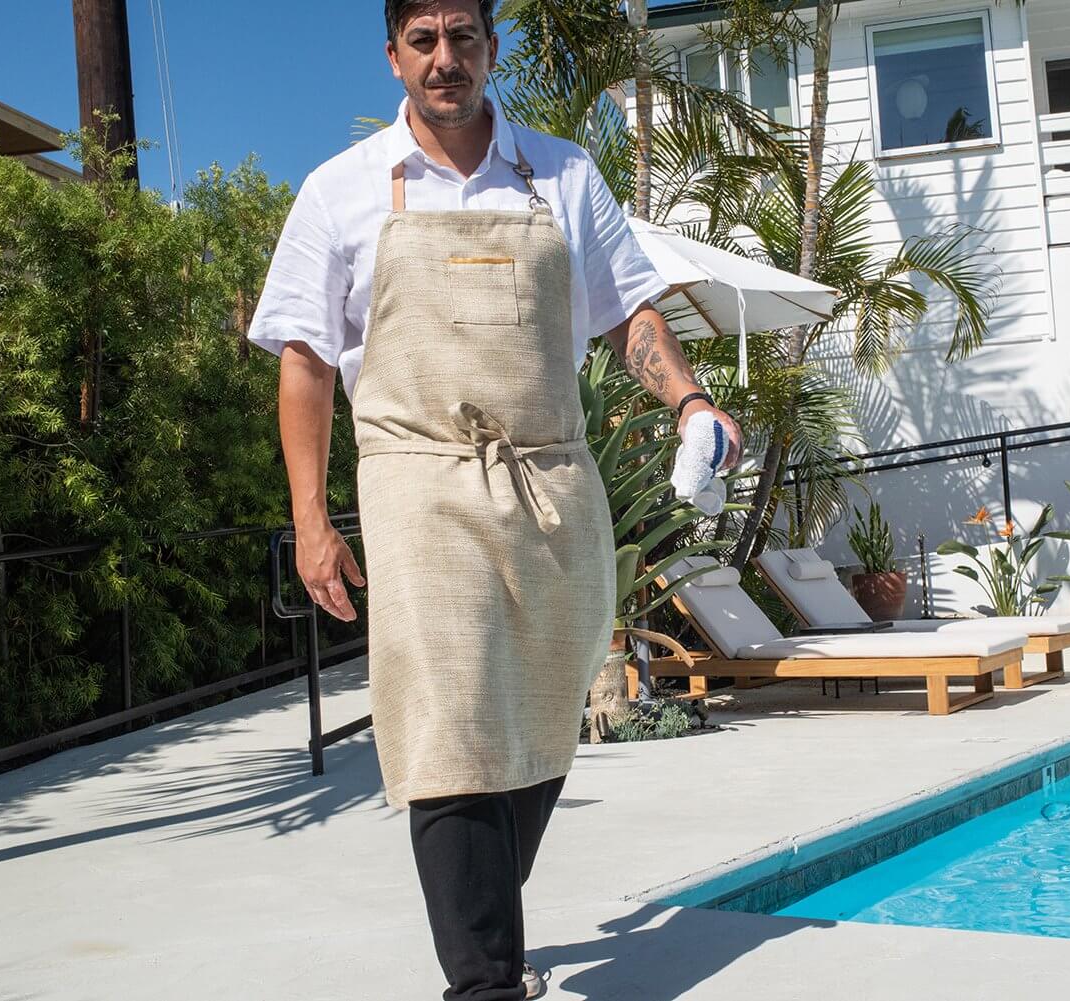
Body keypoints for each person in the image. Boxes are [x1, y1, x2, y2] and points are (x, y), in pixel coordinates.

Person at [247, 2, 742, 998]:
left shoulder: (562, 174)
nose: (445, 60)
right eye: (423, 40)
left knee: (548, 711)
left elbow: (626, 313)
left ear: (490, 49)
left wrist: (689, 396)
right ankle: (483, 979)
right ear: (394, 55)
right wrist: (310, 520)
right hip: (417, 479)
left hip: (552, 476)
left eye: (462, 37)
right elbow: (303, 362)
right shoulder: (341, 192)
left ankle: (477, 899)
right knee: (451, 716)